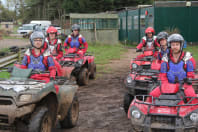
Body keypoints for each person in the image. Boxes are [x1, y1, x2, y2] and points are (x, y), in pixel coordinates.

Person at [147, 33, 197, 102]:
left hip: (184, 85)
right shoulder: (165, 58)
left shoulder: (187, 58)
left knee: (192, 97)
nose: (175, 47)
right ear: (170, 45)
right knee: (152, 95)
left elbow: (190, 74)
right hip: (168, 84)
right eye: (173, 45)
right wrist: (166, 85)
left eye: (177, 45)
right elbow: (163, 75)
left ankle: (193, 112)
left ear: (181, 45)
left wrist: (187, 82)